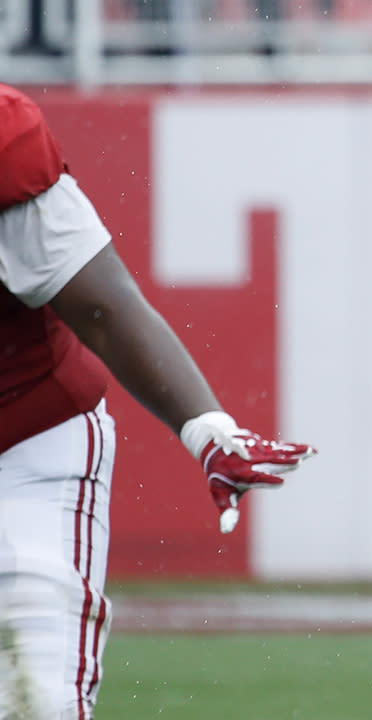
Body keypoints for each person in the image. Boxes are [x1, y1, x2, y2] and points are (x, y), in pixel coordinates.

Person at [0, 83, 313, 720]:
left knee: (34, 701)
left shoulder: (5, 138)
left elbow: (100, 304)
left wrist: (204, 427)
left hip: (24, 440)